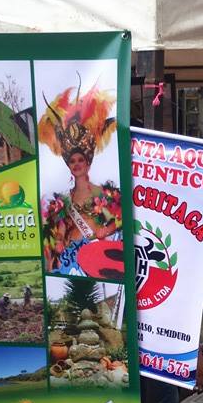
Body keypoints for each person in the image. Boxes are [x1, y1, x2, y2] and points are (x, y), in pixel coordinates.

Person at [39, 80, 122, 275]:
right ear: (68, 166)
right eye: (72, 161)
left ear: (88, 162)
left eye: (80, 160)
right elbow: (60, 232)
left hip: (95, 259)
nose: (76, 164)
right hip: (70, 262)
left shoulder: (104, 194)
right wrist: (59, 241)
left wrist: (106, 230)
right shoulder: (62, 201)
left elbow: (122, 217)